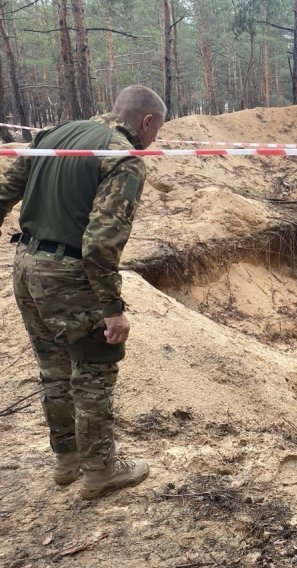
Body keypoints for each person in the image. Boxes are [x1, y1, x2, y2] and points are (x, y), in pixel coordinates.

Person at [0, 85, 167, 500]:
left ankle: (67, 459)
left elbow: (2, 193)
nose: (155, 140)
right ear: (146, 122)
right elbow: (101, 242)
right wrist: (113, 307)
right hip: (72, 276)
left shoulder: (51, 136)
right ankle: (99, 470)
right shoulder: (123, 157)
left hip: (26, 266)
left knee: (53, 370)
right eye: (157, 131)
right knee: (92, 372)